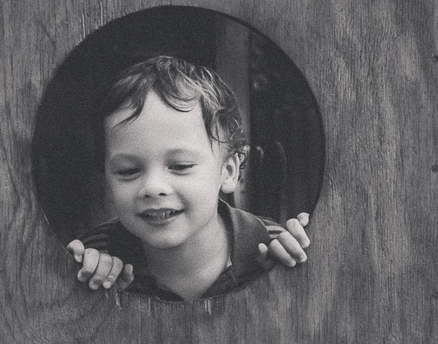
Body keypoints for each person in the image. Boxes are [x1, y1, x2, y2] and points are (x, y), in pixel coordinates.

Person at [67, 55, 310, 301]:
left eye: (180, 166)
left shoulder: (272, 249)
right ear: (107, 179)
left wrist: (297, 267)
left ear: (228, 171)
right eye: (128, 171)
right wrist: (79, 285)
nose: (153, 188)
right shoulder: (95, 256)